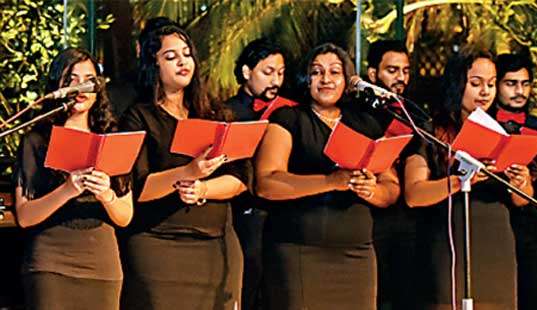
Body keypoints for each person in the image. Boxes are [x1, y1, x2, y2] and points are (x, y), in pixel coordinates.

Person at [255, 43, 400, 310]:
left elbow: (391, 188)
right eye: (317, 72)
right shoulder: (288, 119)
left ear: (347, 79)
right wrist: (331, 182)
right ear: (305, 78)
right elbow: (266, 183)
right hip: (299, 250)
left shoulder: (366, 123)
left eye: (335, 72)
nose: (326, 79)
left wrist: (372, 190)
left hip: (356, 254)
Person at [119, 21, 247, 310]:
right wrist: (188, 172)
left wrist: (202, 187)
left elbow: (240, 178)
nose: (182, 62)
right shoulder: (139, 117)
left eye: (186, 54)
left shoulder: (215, 113)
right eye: (170, 56)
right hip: (158, 246)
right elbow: (138, 187)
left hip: (215, 246)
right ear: (154, 65)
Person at [404, 48, 532, 310]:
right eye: (475, 83)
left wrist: (521, 181)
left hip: (497, 246)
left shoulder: (506, 132)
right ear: (457, 84)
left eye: (491, 83)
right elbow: (414, 195)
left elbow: (521, 201)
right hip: (450, 245)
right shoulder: (432, 132)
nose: (485, 92)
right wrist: (462, 180)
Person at [13, 48, 134, 310]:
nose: (81, 87)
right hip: (50, 263)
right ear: (58, 85)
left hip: (102, 265)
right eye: (72, 80)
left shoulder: (111, 138)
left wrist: (106, 195)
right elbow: (24, 216)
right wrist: (68, 189)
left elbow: (125, 216)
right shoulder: (38, 141)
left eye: (89, 79)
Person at [225, 38, 285, 310]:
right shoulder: (227, 112)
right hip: (244, 213)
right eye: (268, 72)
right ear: (247, 72)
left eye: (280, 73)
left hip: (282, 213)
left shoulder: (289, 113)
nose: (276, 80)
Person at [491, 53, 537, 310]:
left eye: (525, 84)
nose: (519, 91)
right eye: (511, 84)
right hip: (492, 219)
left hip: (533, 227)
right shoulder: (483, 125)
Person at [365, 39, 420, 310]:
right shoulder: (358, 114)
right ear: (373, 74)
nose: (401, 78)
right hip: (371, 216)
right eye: (392, 70)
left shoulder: (415, 114)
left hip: (408, 218)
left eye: (405, 71)